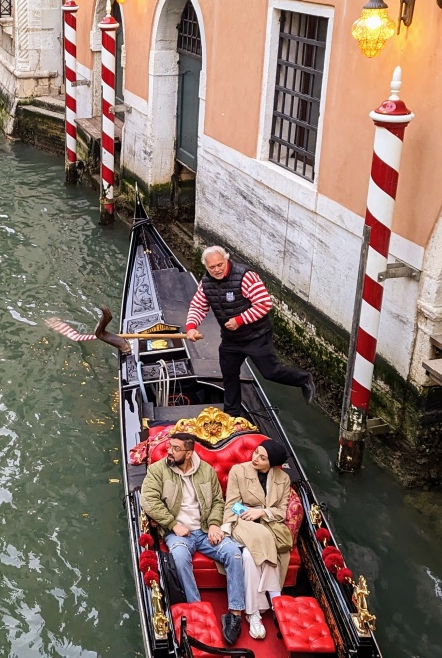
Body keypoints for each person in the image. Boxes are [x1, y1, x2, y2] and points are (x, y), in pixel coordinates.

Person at [141, 432, 247, 645]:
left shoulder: (206, 471)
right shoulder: (157, 470)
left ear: (189, 453)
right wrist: (173, 524)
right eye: (169, 446)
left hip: (205, 530)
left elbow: (218, 501)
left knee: (234, 554)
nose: (169, 451)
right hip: (177, 533)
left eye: (175, 449)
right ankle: (196, 608)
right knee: (179, 557)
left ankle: (234, 614)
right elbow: (149, 501)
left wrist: (216, 524)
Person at [185, 246, 314, 417]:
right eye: (212, 267)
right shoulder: (206, 283)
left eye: (219, 265)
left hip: (256, 336)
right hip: (231, 339)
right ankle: (232, 415)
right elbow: (198, 306)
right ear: (206, 267)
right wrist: (191, 327)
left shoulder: (245, 276)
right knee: (229, 375)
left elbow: (264, 304)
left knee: (270, 372)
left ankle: (304, 379)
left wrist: (240, 320)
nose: (216, 270)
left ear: (226, 260)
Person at [222, 439, 294, 640]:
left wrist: (260, 512)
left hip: (268, 524)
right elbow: (232, 505)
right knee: (261, 538)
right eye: (255, 453)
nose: (255, 458)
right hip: (241, 522)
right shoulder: (239, 471)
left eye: (262, 458)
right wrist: (247, 513)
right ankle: (276, 599)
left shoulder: (283, 479)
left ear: (272, 463)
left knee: (248, 556)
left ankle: (253, 612)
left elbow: (281, 512)